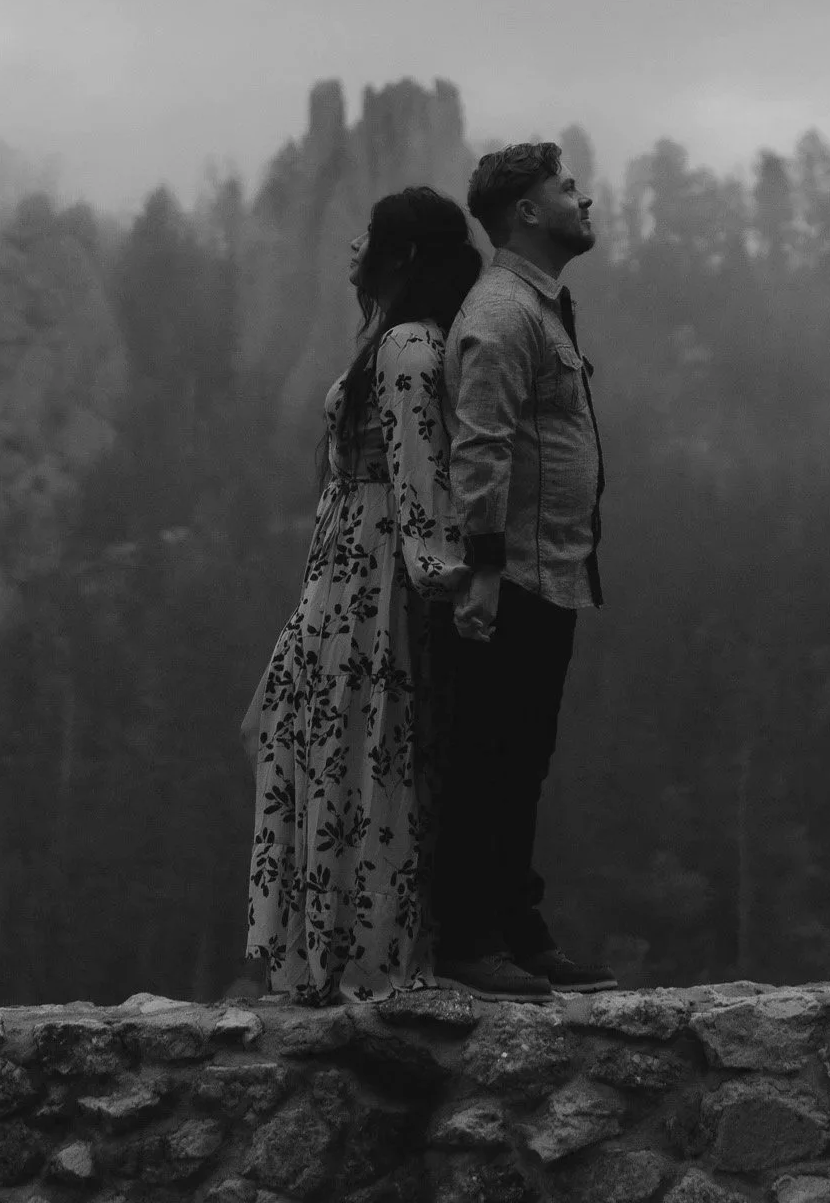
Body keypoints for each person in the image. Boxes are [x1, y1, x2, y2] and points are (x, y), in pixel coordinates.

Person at [244, 186, 480, 1003]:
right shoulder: (395, 339)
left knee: (363, 758)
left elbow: (422, 489)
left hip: (374, 586)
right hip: (344, 576)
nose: (352, 247)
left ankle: (364, 964)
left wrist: (439, 590)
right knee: (330, 751)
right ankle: (336, 959)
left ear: (404, 254)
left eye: (369, 235)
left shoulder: (410, 348)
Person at [431, 141, 617, 998]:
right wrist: (481, 569)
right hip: (511, 580)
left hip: (549, 573)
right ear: (527, 213)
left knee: (520, 760)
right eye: (565, 188)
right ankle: (468, 938)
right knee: (490, 760)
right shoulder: (502, 313)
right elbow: (481, 444)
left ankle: (515, 927)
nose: (583, 197)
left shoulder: (537, 306)